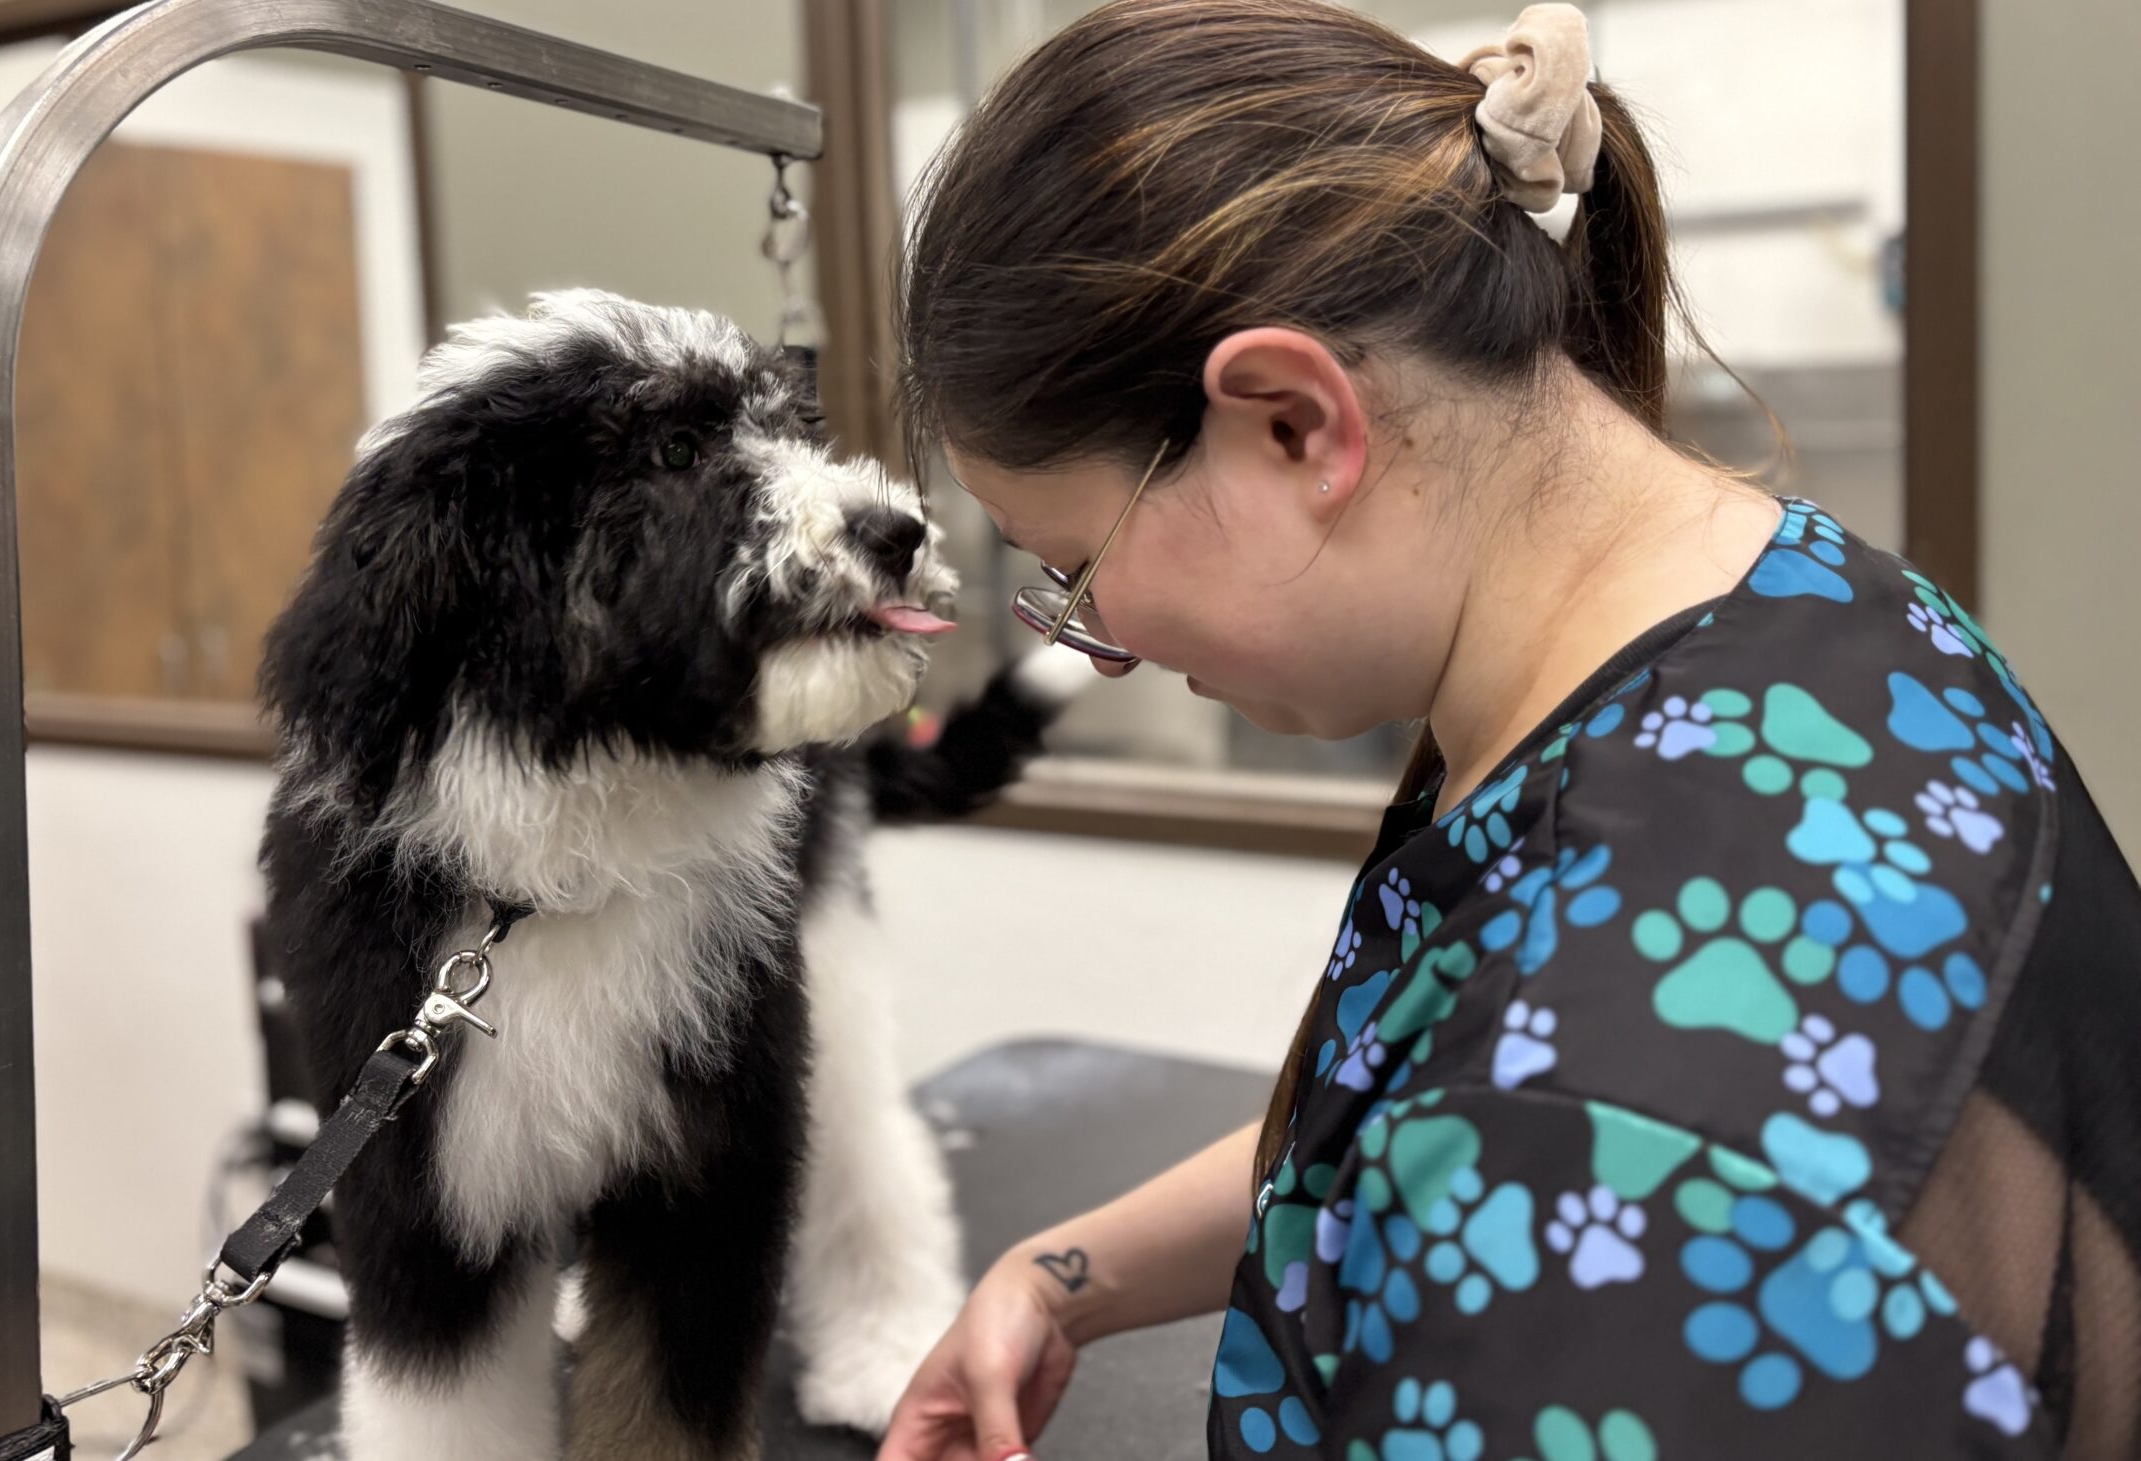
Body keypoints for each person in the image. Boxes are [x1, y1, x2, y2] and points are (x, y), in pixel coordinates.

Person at [877, 3, 2141, 1458]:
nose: (1101, 653)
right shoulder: (1806, 612)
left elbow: (1550, 1124)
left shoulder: (1602, 1164)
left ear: (1291, 421)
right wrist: (1066, 1274)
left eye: (1079, 571)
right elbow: (1432, 1111)